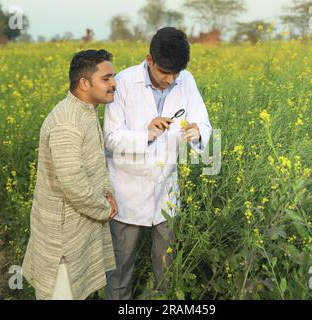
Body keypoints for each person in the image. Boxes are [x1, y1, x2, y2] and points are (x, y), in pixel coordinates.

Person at [104, 27, 212, 299]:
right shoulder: (124, 83)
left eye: (175, 74)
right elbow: (112, 138)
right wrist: (146, 134)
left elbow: (204, 122)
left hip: (166, 191)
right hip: (127, 191)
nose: (170, 79)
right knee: (120, 267)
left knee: (166, 267)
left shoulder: (186, 81)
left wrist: (198, 132)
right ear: (149, 59)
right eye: (164, 72)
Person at [22, 49, 118, 300]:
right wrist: (104, 208)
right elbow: (73, 182)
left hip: (79, 225)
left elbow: (95, 163)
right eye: (106, 78)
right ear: (85, 83)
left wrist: (107, 192)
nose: (114, 84)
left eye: (113, 77)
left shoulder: (85, 112)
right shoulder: (67, 122)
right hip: (62, 240)